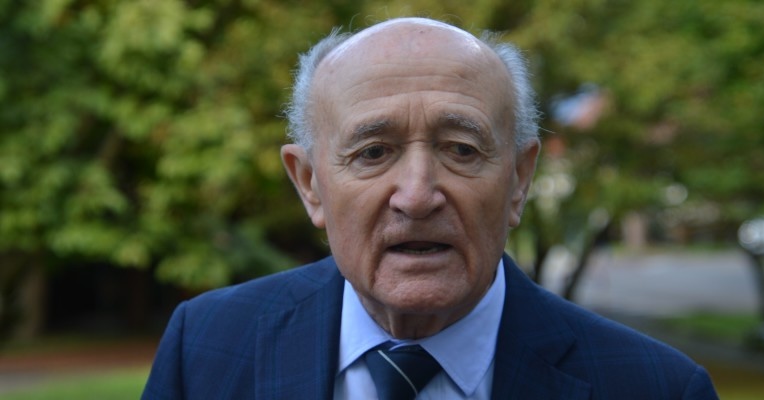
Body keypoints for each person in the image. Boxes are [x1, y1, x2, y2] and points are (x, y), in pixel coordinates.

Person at [142, 17, 719, 399]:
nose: (417, 196)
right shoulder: (206, 349)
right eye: (373, 152)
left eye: (461, 149)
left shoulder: (656, 388)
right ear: (311, 184)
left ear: (519, 180)